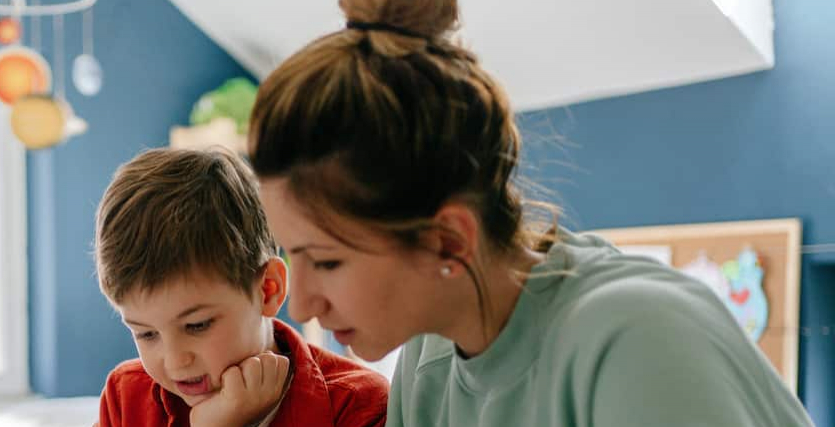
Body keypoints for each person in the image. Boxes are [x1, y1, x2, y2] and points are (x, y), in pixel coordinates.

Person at [245, 0, 817, 426]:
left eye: (326, 261)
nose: (303, 303)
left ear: (447, 240)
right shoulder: (428, 354)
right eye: (292, 255)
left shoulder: (635, 342)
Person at [94, 148, 388, 427]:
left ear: (268, 289)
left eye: (197, 325)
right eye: (146, 334)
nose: (175, 361)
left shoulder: (360, 406)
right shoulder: (125, 397)